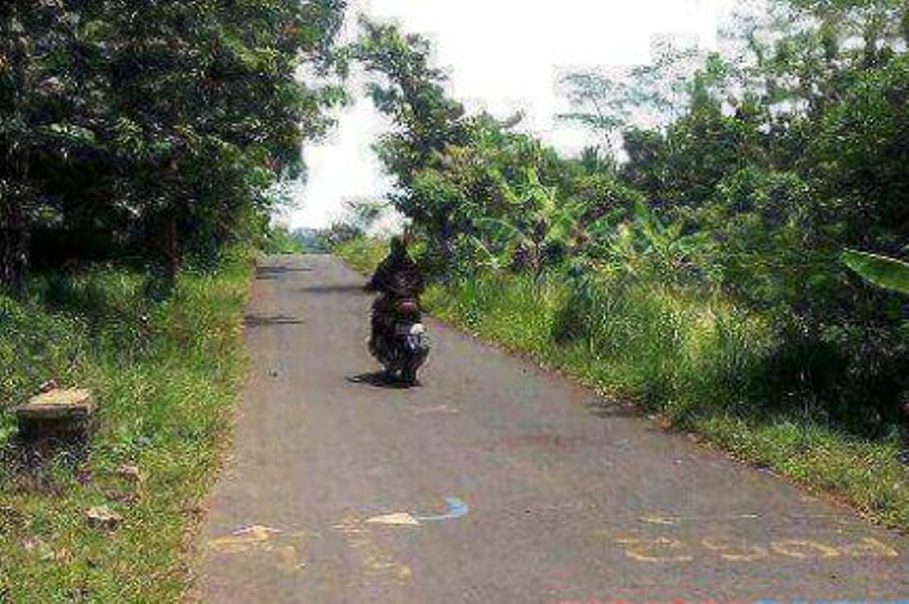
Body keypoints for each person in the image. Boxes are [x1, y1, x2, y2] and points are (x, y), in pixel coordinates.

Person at [364, 236, 425, 356]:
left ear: (393, 247)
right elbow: (421, 282)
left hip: (393, 298)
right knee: (416, 316)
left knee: (377, 316)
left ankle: (375, 342)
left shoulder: (386, 262)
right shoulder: (411, 262)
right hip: (411, 298)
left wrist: (371, 287)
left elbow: (376, 281)